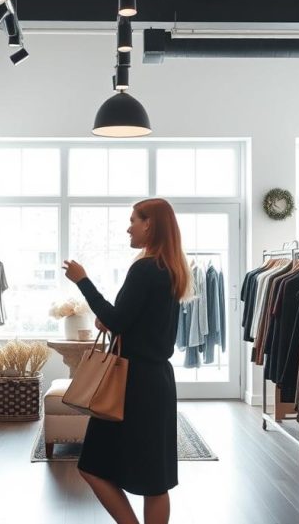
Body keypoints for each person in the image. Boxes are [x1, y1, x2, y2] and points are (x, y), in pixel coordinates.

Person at [62, 198, 190, 524]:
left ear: (150, 224)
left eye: (133, 219)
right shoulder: (171, 269)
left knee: (92, 466)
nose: (129, 226)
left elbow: (118, 320)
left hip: (132, 384)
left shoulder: (145, 268)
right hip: (157, 381)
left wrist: (82, 280)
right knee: (155, 481)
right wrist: (113, 320)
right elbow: (134, 320)